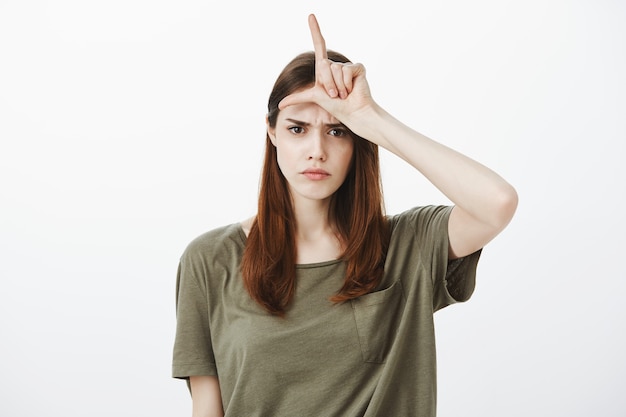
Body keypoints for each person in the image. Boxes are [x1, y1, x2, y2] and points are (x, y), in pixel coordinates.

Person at [172, 14, 518, 417]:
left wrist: (369, 117)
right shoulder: (210, 260)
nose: (316, 149)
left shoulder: (406, 246)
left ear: (358, 143)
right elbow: (207, 408)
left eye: (336, 132)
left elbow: (496, 202)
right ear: (272, 133)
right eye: (297, 129)